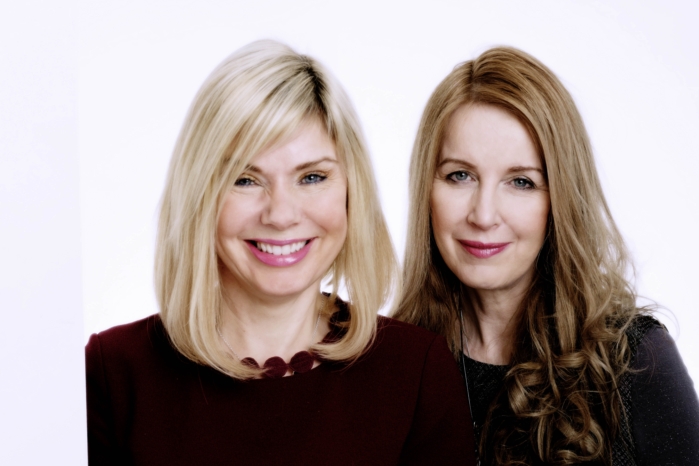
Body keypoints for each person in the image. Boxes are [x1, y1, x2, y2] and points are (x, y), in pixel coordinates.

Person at [85, 40, 476, 465]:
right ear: (199, 195)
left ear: (352, 192)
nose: (281, 214)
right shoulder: (112, 374)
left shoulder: (415, 374)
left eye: (311, 177)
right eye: (245, 180)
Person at [393, 46, 699, 465]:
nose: (483, 215)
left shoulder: (634, 361)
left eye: (521, 182)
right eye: (460, 175)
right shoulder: (391, 367)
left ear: (561, 200)